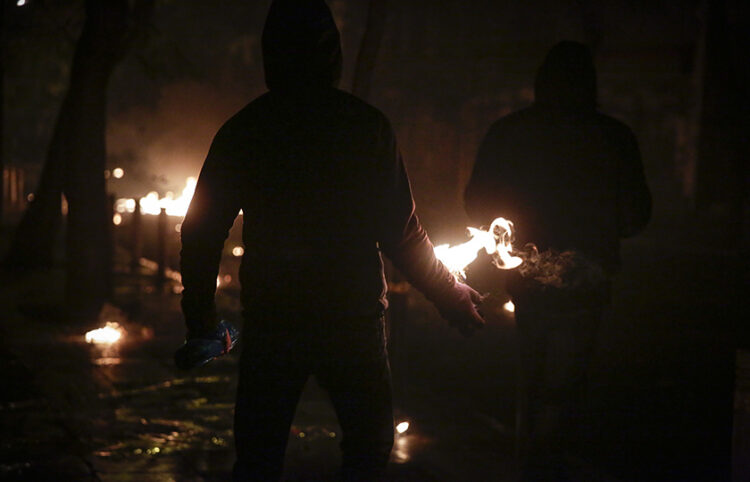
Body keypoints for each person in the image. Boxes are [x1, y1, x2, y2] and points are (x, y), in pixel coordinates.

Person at [177, 1, 485, 480]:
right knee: (368, 446)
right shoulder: (366, 127)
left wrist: (202, 321)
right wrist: (451, 296)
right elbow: (402, 234)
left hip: (275, 314)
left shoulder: (248, 128)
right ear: (333, 54)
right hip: (351, 316)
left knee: (260, 454)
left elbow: (201, 231)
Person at [465, 41, 651, 480]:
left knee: (533, 373)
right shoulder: (613, 137)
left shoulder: (510, 132)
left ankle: (531, 457)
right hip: (588, 280)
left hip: (527, 281)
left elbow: (477, 203)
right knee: (566, 381)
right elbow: (635, 216)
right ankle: (546, 461)